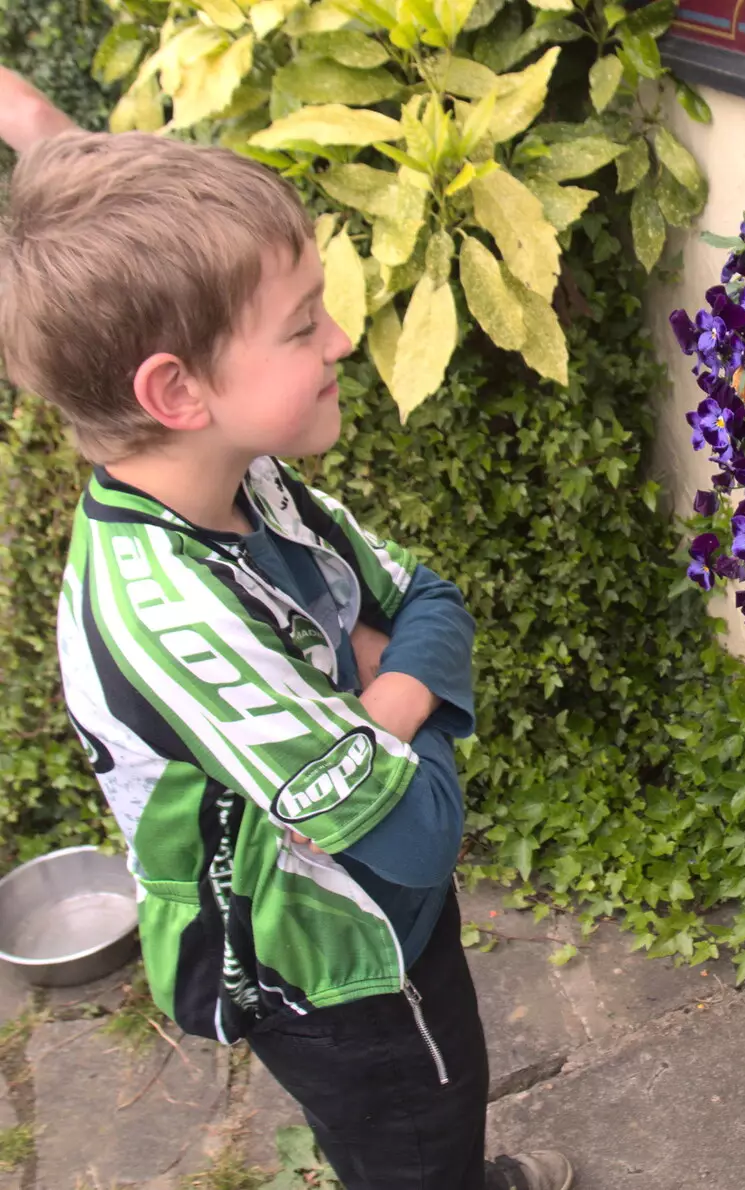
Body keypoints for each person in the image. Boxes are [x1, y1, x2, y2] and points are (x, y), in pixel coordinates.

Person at [0, 118, 572, 1189]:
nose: (343, 340)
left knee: (446, 1092)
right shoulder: (170, 614)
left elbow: (429, 597)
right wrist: (387, 671)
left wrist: (378, 700)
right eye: (303, 324)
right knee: (410, 1127)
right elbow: (418, 834)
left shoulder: (239, 476)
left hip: (364, 897)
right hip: (323, 966)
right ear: (177, 391)